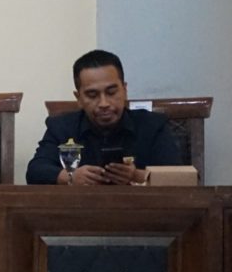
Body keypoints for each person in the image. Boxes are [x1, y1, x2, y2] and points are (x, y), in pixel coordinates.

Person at [26, 49, 181, 185]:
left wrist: (136, 176)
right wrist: (70, 177)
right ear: (79, 98)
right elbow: (35, 171)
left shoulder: (152, 126)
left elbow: (180, 177)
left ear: (124, 90)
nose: (104, 103)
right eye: (92, 95)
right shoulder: (62, 127)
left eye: (111, 92)